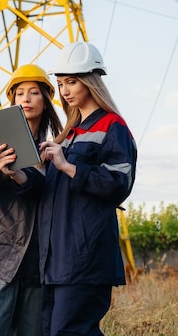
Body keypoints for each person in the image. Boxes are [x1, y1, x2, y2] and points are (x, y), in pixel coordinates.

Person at [37, 41, 138, 335]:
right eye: (60, 83)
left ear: (91, 81)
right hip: (55, 258)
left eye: (72, 81)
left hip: (84, 256)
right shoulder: (67, 134)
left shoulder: (112, 126)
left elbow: (119, 182)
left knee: (69, 332)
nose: (65, 90)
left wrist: (68, 166)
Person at [0, 64, 63, 336]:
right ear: (13, 100)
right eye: (20, 94)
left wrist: (21, 175)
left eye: (34, 93)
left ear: (46, 99)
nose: (27, 99)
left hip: (36, 264)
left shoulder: (53, 149)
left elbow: (48, 194)